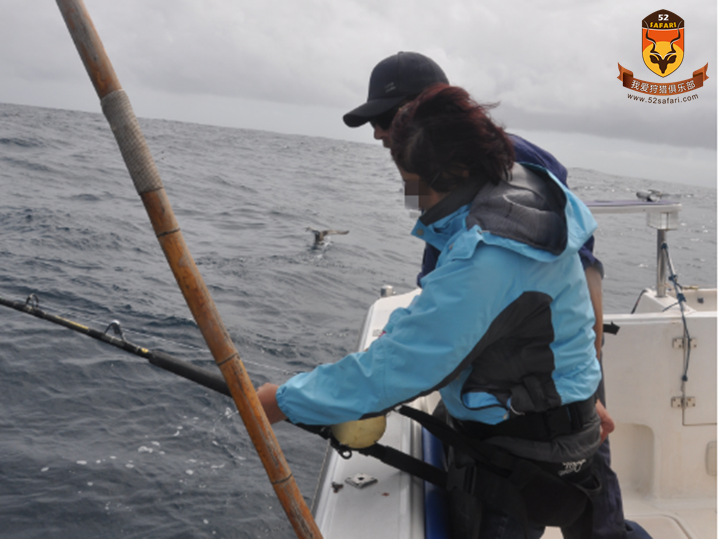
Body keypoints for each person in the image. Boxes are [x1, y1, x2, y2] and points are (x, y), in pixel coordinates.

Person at [259, 83, 603, 538]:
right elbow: (460, 308)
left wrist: (278, 402)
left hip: (524, 446)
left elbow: (400, 369)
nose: (410, 197)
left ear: (453, 171)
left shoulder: (489, 255)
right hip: (558, 414)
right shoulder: (524, 190)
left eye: (411, 183)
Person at [341, 51, 651, 539]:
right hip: (544, 372)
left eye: (383, 118)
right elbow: (443, 271)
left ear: (423, 110)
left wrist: (581, 387)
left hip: (545, 373)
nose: (377, 133)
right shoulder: (440, 169)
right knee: (583, 499)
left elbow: (575, 261)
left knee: (556, 507)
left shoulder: (508, 160)